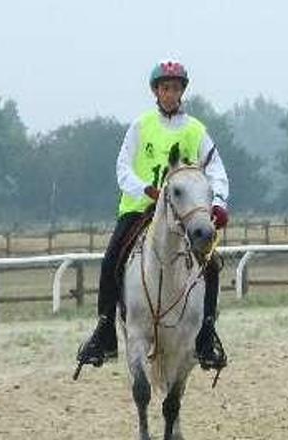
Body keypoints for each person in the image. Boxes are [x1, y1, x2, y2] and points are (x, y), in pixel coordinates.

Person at [75, 59, 231, 372]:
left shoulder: (196, 130)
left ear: (182, 91)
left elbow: (216, 170)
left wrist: (218, 204)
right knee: (110, 261)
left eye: (175, 88)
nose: (169, 93)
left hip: (183, 213)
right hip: (140, 210)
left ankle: (205, 337)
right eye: (164, 88)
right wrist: (146, 190)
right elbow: (122, 168)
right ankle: (104, 333)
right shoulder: (140, 126)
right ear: (156, 91)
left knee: (211, 264)